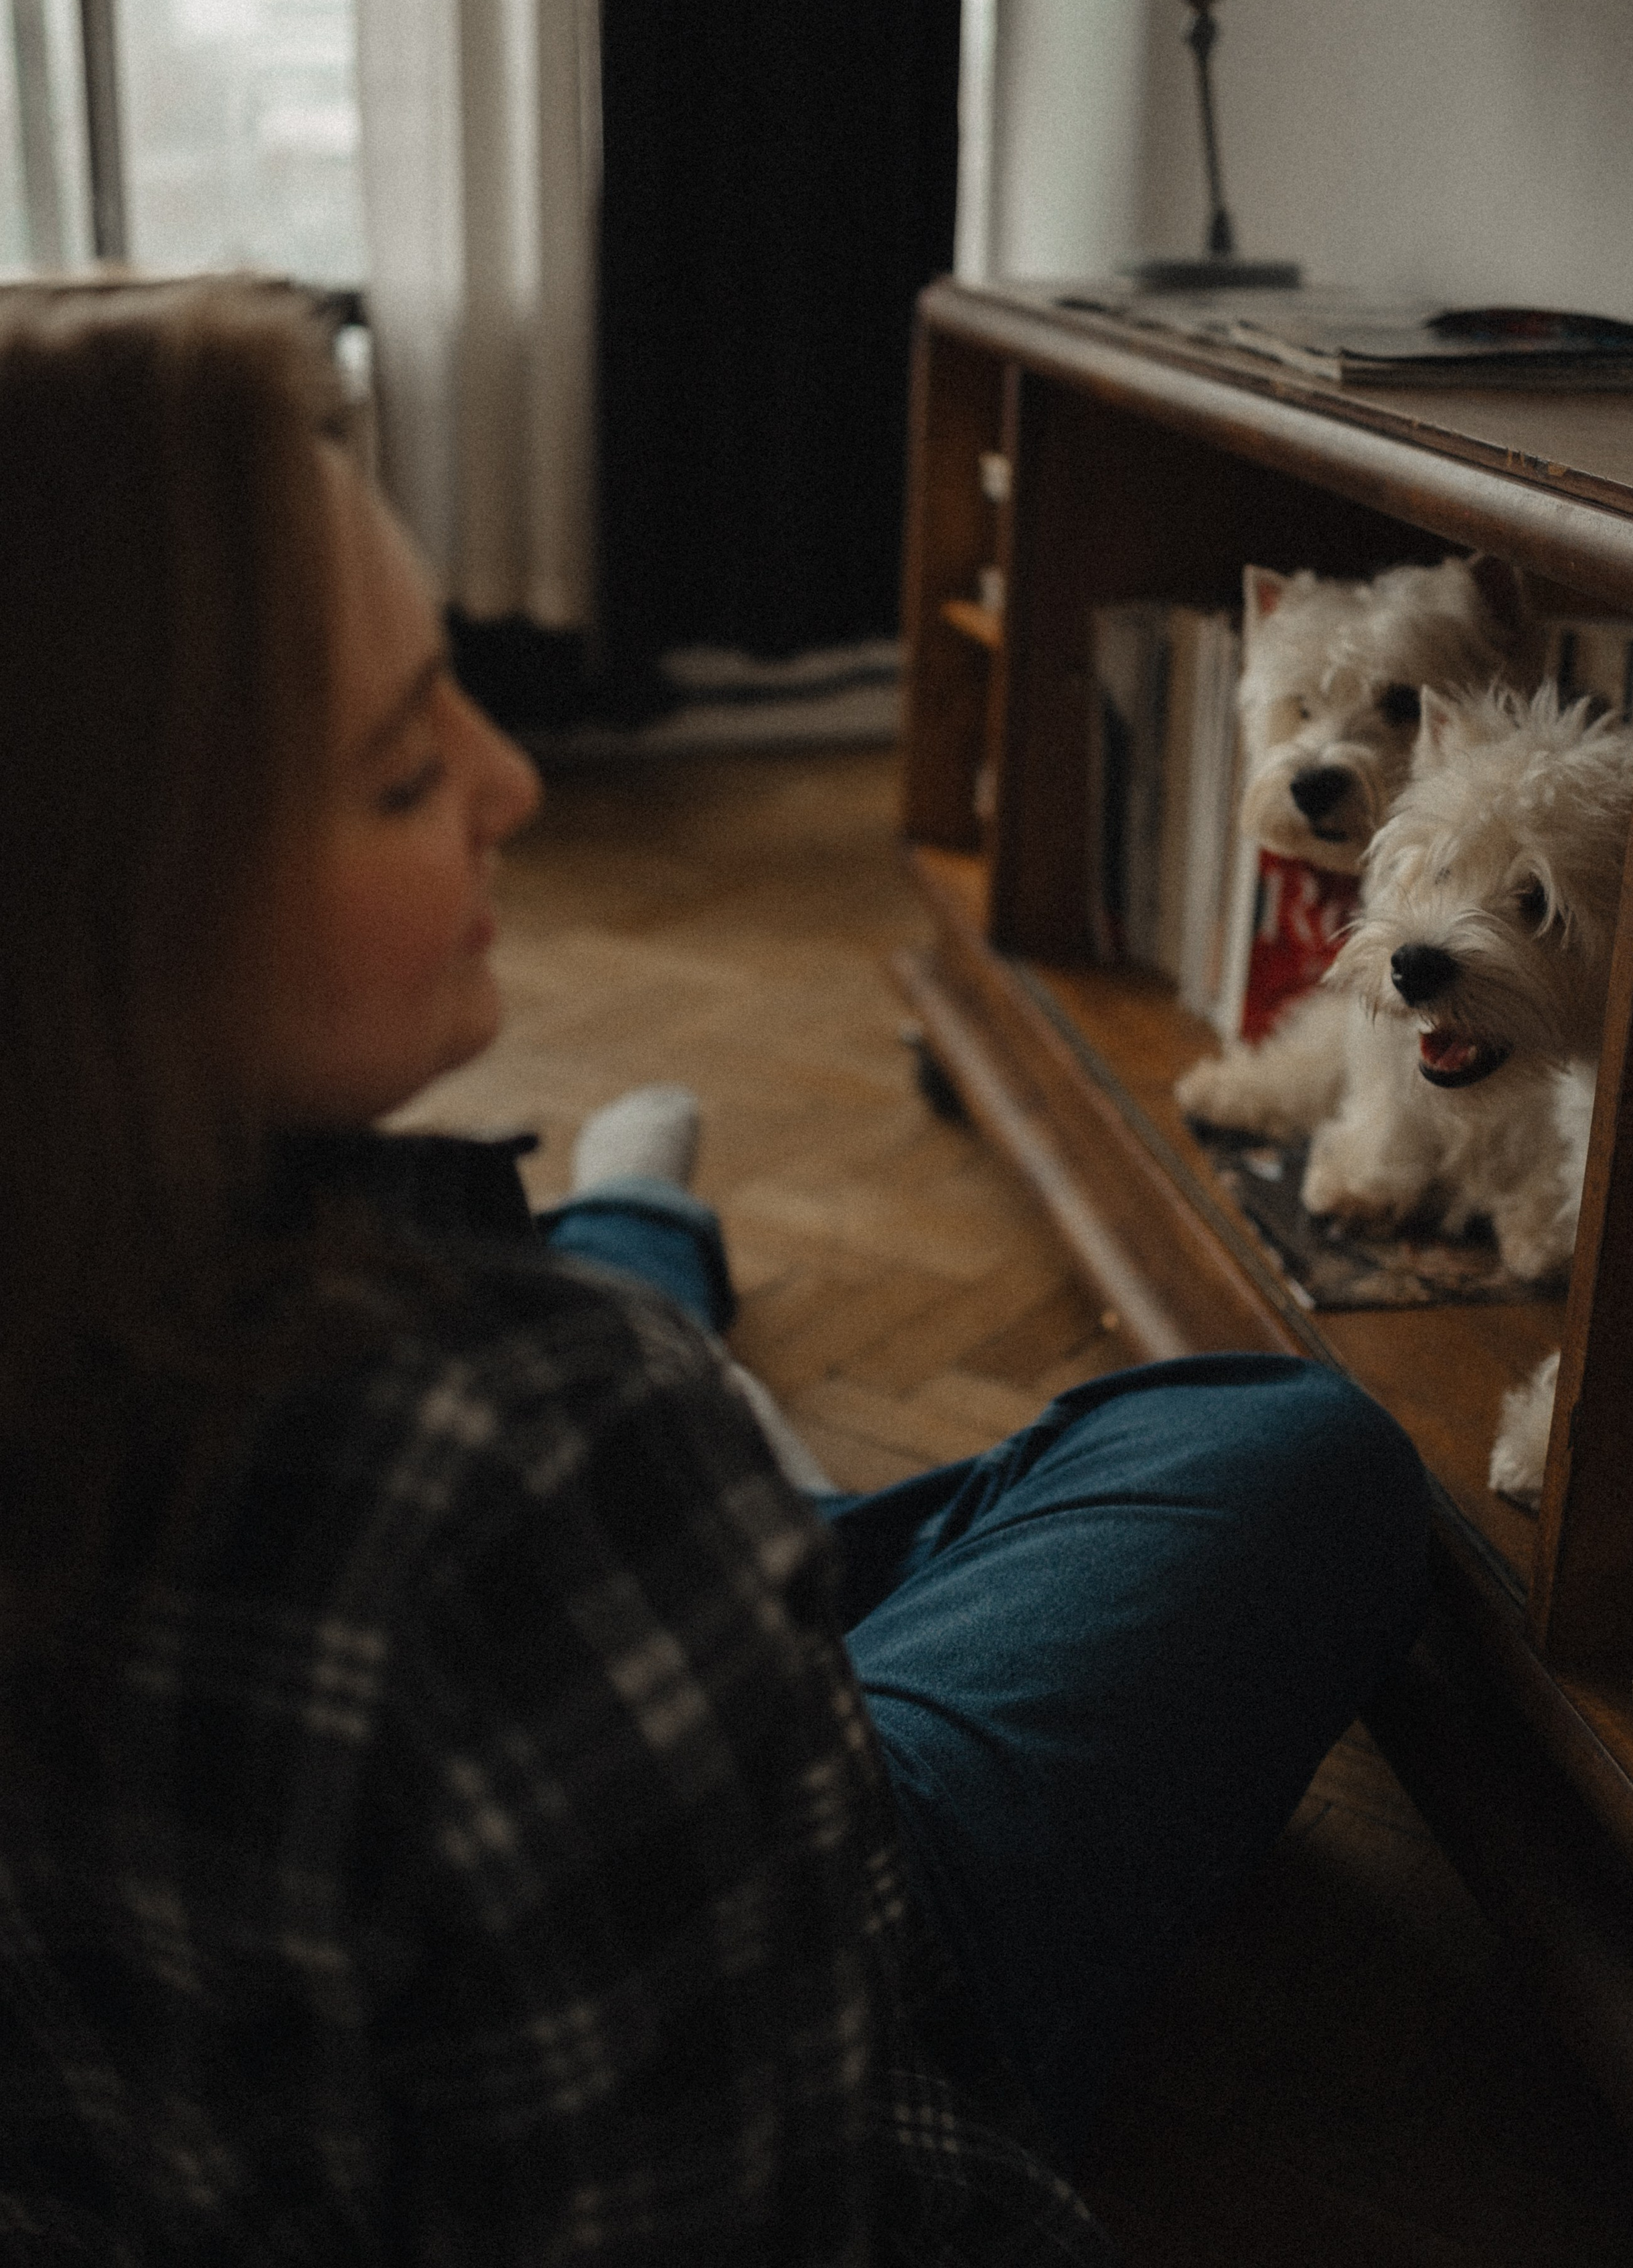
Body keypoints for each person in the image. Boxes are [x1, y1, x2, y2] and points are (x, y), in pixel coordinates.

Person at [0, 279, 1428, 2264]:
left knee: (650, 1422)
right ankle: (649, 1282)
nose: (512, 782)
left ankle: (643, 1266)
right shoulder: (529, 1462)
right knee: (1296, 1453)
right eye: (404, 769)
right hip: (793, 1888)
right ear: (106, 910)